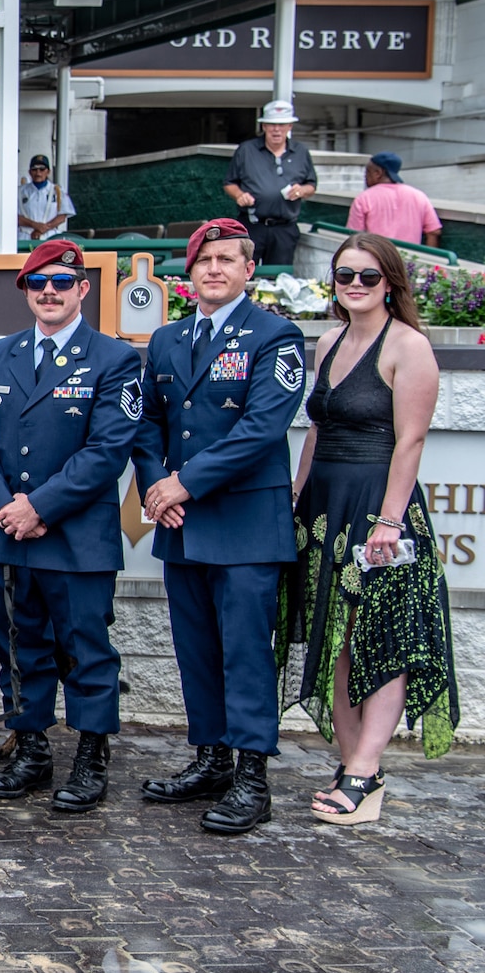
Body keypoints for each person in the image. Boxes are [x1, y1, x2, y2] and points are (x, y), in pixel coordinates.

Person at [133, 218, 307, 834]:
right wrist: (156, 485)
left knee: (245, 656)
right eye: (205, 259)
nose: (214, 269)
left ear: (249, 270)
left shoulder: (275, 336)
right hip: (181, 522)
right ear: (190, 270)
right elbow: (145, 424)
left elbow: (262, 427)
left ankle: (252, 779)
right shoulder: (167, 340)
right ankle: (210, 760)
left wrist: (185, 481)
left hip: (243, 523)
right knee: (197, 652)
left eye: (228, 260)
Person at [281, 232, 458, 825]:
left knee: (380, 641)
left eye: (368, 277)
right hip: (325, 504)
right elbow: (316, 431)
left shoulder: (409, 347)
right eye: (344, 276)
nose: (354, 286)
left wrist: (387, 520)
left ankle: (363, 772)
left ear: (392, 283)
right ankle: (354, 764)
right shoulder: (328, 341)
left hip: (379, 510)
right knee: (335, 634)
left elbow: (410, 441)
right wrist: (297, 495)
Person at [0, 239, 141, 811]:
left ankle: (91, 756)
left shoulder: (113, 359)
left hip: (75, 539)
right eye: (37, 284)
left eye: (61, 283)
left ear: (83, 289)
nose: (48, 293)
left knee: (85, 650)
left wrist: (37, 507)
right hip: (10, 535)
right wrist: (5, 506)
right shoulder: (2, 354)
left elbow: (108, 450)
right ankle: (32, 748)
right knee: (20, 648)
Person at [222, 99, 317, 269]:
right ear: (264, 126)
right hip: (252, 225)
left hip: (284, 228)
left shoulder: (301, 152)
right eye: (271, 124)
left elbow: (311, 185)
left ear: (290, 126)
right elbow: (229, 182)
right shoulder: (246, 150)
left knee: (279, 278)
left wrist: (302, 190)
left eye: (282, 124)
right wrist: (239, 195)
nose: (276, 129)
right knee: (241, 273)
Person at [347, 153, 442, 248]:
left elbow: (354, 235)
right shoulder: (419, 196)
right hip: (409, 259)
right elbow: (433, 231)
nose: (365, 177)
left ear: (377, 173)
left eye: (367, 172)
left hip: (377, 257)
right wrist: (428, 259)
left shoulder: (364, 198)